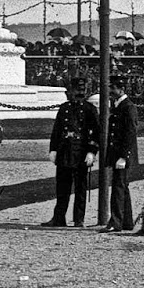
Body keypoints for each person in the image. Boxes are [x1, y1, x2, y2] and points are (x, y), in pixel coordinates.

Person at [44, 80, 101, 228]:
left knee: (80, 188)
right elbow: (57, 130)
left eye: (81, 91)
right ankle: (59, 218)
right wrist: (53, 149)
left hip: (81, 152)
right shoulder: (65, 108)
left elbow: (96, 132)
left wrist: (92, 152)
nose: (79, 94)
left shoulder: (89, 109)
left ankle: (78, 219)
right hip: (65, 151)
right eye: (77, 90)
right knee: (62, 187)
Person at [102, 83, 139, 234]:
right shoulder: (119, 105)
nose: (110, 91)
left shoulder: (128, 107)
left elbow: (130, 133)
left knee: (118, 188)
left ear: (121, 89)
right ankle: (126, 221)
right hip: (117, 154)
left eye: (113, 88)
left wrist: (124, 157)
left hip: (122, 155)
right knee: (122, 187)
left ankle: (116, 222)